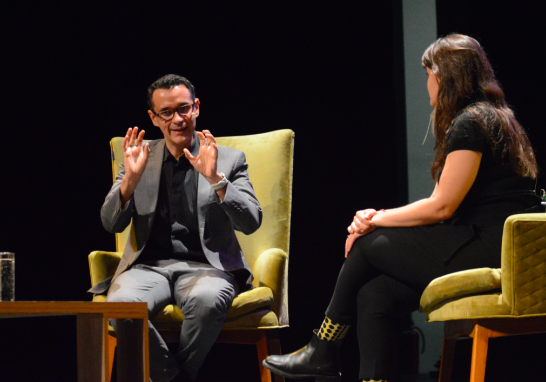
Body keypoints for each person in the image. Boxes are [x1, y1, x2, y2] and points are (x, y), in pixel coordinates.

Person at [263, 34, 541, 382]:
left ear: (445, 76)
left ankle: (322, 348)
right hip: (491, 244)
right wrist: (377, 218)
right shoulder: (496, 118)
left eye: (429, 73)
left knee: (368, 245)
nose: (428, 83)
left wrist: (375, 221)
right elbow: (442, 203)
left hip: (490, 246)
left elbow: (442, 207)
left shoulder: (472, 122)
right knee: (375, 294)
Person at [88, 74, 262, 382]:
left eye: (183, 109)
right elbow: (110, 223)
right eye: (166, 112)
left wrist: (216, 179)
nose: (177, 119)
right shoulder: (138, 157)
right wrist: (129, 180)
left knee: (207, 302)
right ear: (153, 118)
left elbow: (251, 222)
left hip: (208, 268)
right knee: (121, 306)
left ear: (196, 108)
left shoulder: (229, 159)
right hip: (147, 268)